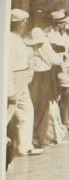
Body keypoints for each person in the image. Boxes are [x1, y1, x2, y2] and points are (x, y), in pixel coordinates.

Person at [7, 9, 44, 157]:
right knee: (8, 112)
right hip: (14, 78)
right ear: (18, 23)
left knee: (26, 111)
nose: (24, 24)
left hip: (21, 78)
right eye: (22, 22)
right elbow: (8, 66)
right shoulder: (9, 40)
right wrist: (10, 90)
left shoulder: (18, 38)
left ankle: (24, 146)